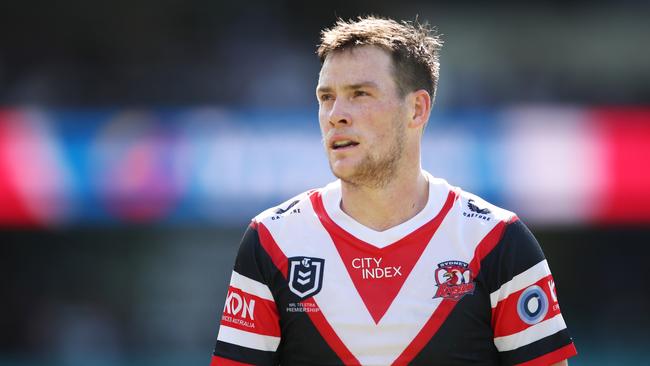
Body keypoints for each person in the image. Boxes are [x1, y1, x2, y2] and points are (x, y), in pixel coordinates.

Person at [209, 16, 577, 365]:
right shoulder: (272, 240)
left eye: (360, 94)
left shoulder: (497, 240)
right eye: (326, 97)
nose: (336, 114)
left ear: (417, 109)